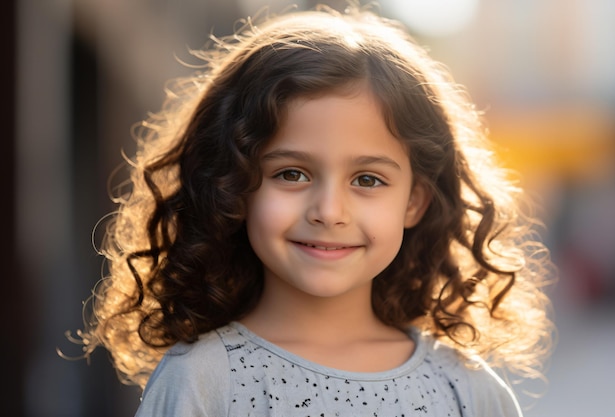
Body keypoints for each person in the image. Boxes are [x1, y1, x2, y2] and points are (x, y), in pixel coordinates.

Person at [74, 2, 554, 415]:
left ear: (414, 201)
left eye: (367, 180)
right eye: (292, 174)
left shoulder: (469, 393)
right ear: (235, 185)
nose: (329, 210)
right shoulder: (203, 381)